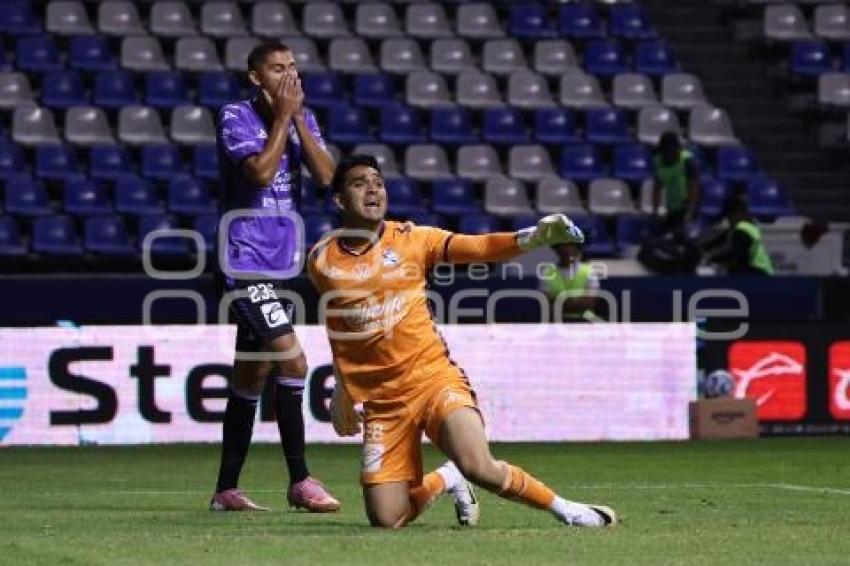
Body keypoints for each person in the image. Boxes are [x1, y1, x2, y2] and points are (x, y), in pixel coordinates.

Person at [307, 154, 617, 529]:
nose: (373, 189)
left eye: (378, 181)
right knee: (388, 519)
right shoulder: (322, 260)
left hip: (433, 379)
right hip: (382, 401)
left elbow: (481, 247)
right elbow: (339, 323)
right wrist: (342, 385)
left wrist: (533, 237)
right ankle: (447, 478)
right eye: (359, 183)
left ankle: (568, 510)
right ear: (339, 200)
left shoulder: (414, 239)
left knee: (479, 465)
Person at [210, 41, 339, 512]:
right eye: (277, 68)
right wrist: (284, 117)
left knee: (253, 372)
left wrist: (299, 118)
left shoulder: (303, 115)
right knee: (294, 364)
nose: (288, 75)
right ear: (255, 77)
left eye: (292, 67)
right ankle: (300, 480)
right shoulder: (235, 116)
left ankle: (226, 491)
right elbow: (261, 174)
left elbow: (326, 177)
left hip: (281, 264)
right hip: (243, 260)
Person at [704, 195, 774, 275]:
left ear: (738, 213)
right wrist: (702, 249)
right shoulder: (741, 227)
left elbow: (736, 255)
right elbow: (718, 241)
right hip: (756, 271)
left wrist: (713, 258)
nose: (728, 219)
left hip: (759, 273)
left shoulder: (743, 230)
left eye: (729, 215)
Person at [652, 131, 700, 231]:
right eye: (667, 151)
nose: (671, 153)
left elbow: (694, 187)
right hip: (672, 207)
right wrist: (655, 211)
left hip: (688, 206)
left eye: (673, 150)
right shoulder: (658, 161)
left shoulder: (687, 161)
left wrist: (690, 212)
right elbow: (657, 187)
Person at [539, 243, 600, 322]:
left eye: (571, 245)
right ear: (556, 249)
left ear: (577, 249)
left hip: (584, 322)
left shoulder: (589, 271)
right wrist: (577, 302)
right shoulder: (546, 273)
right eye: (564, 245)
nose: (567, 249)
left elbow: (589, 302)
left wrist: (558, 300)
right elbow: (546, 302)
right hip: (557, 322)